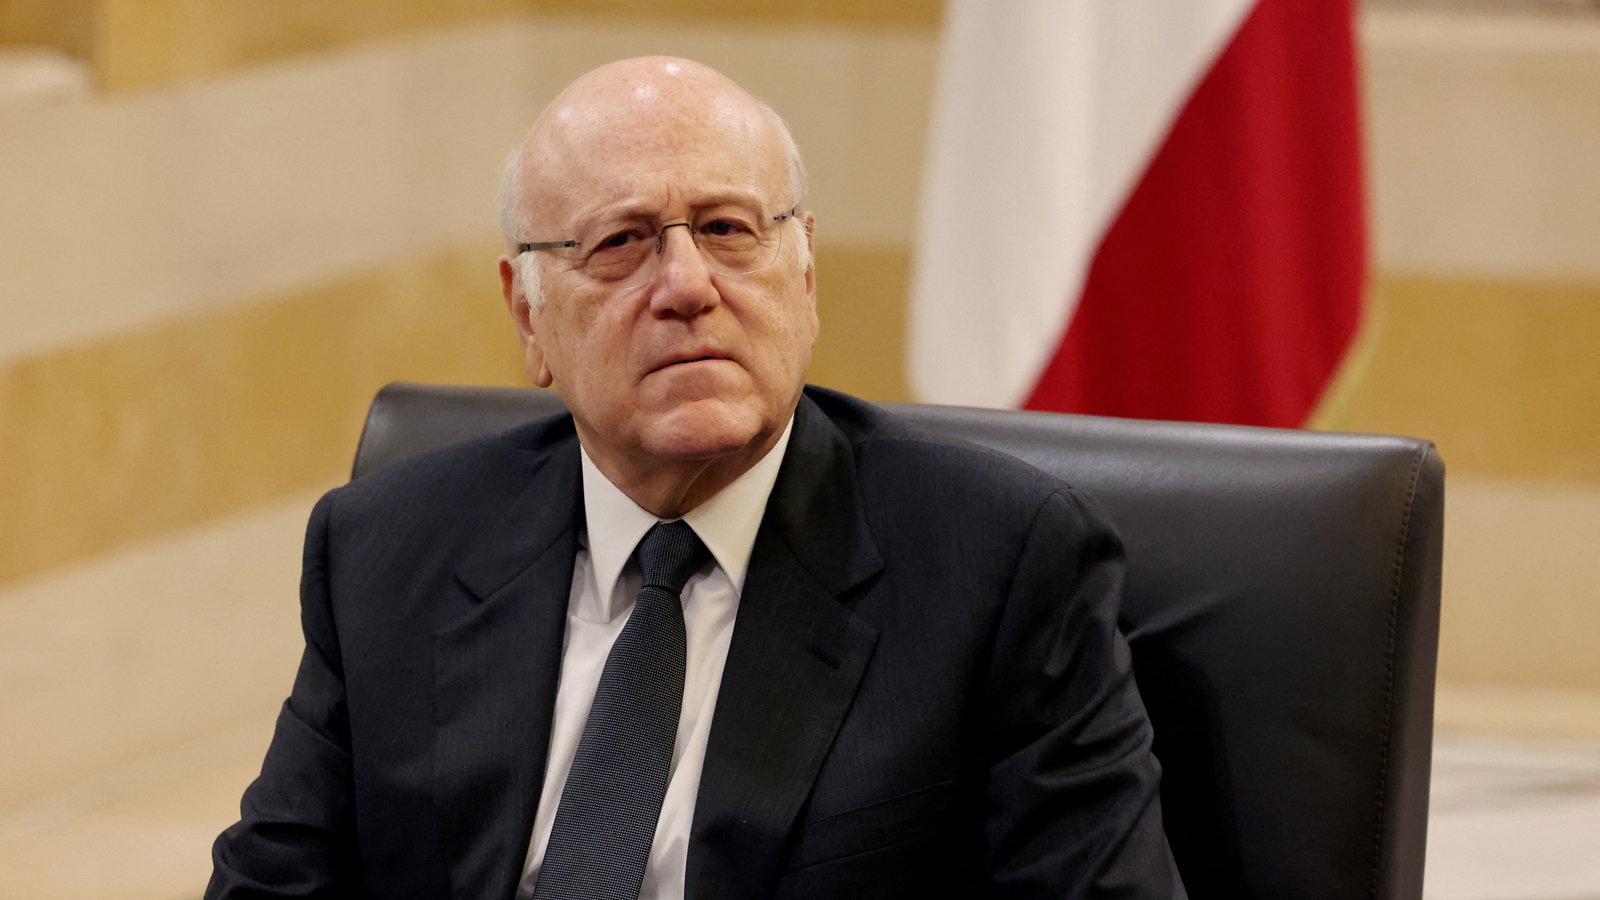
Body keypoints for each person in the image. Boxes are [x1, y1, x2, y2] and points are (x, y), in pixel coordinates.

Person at [207, 56, 1185, 899]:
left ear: (804, 277)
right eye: (620, 241)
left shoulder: (999, 566)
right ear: (528, 316)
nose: (685, 286)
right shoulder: (386, 551)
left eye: (725, 228)